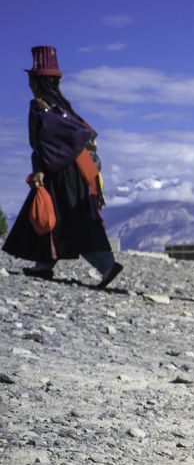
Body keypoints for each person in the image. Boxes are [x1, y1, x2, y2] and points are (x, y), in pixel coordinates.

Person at [3, 46, 123, 288]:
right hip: (74, 169)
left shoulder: (39, 106)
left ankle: (107, 265)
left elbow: (41, 143)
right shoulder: (62, 106)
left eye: (31, 78)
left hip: (59, 172)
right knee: (48, 214)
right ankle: (43, 266)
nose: (28, 83)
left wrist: (41, 168)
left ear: (38, 80)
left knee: (68, 217)